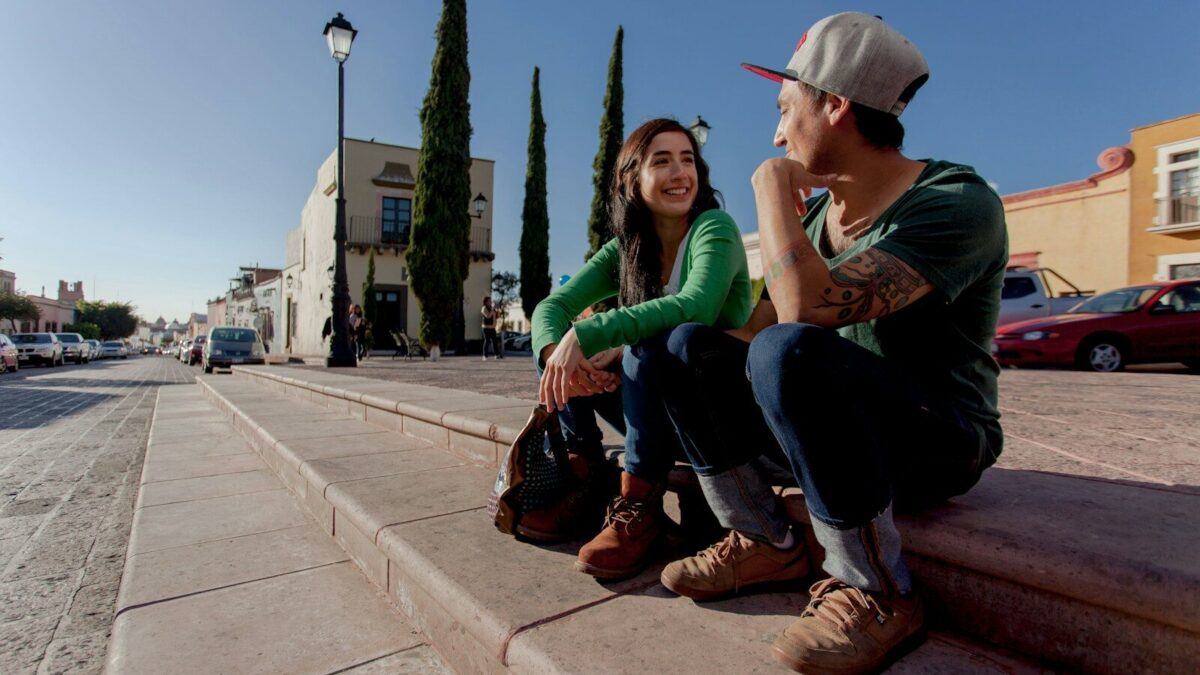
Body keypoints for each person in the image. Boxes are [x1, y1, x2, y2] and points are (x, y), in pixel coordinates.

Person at [647, 13, 1008, 674]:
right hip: (830, 432)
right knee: (681, 346)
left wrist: (768, 186)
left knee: (791, 350)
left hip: (939, 437)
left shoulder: (956, 200)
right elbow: (749, 331)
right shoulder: (815, 219)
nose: (777, 131)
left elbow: (802, 314)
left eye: (785, 109)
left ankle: (878, 589)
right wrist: (632, 349)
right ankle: (761, 535)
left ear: (836, 106)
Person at [529, 117, 754, 578]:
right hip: (658, 409)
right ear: (632, 179)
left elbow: (696, 305)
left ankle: (638, 505)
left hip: (718, 416)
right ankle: (584, 474)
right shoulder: (627, 248)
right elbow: (552, 307)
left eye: (688, 160)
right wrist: (557, 355)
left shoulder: (716, 228)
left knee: (640, 345)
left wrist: (594, 334)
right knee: (571, 357)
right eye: (663, 161)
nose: (680, 173)